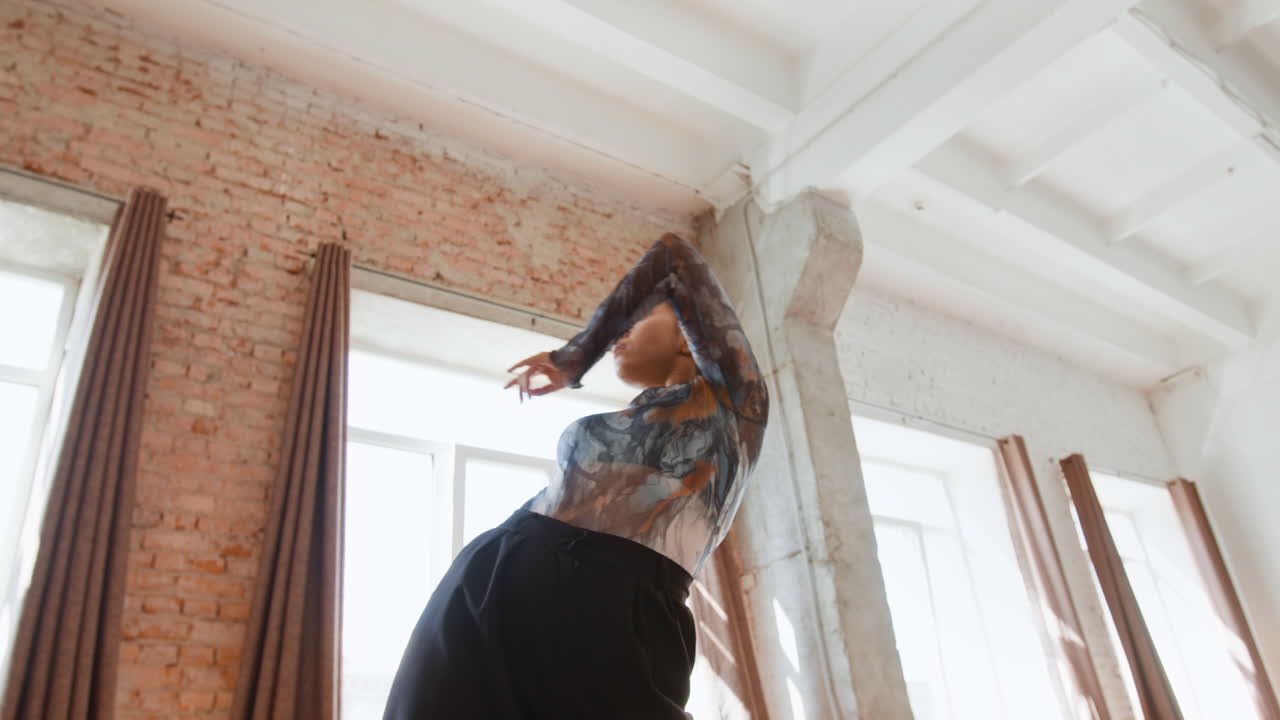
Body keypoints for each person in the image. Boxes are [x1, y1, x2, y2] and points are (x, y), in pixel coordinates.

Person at [382, 232, 769, 719]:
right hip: (488, 584)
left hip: (610, 611)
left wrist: (578, 354)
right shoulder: (633, 420)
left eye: (642, 312)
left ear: (691, 331)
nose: (623, 332)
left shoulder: (737, 406)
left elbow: (674, 257)